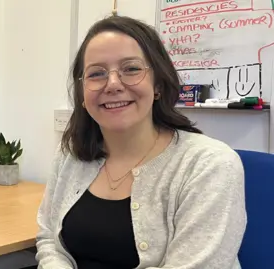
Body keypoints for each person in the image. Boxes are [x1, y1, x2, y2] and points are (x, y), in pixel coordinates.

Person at [33, 15, 247, 269]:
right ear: (82, 92)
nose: (112, 84)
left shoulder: (210, 165)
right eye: (96, 73)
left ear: (157, 83)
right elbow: (48, 239)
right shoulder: (70, 154)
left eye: (131, 69)